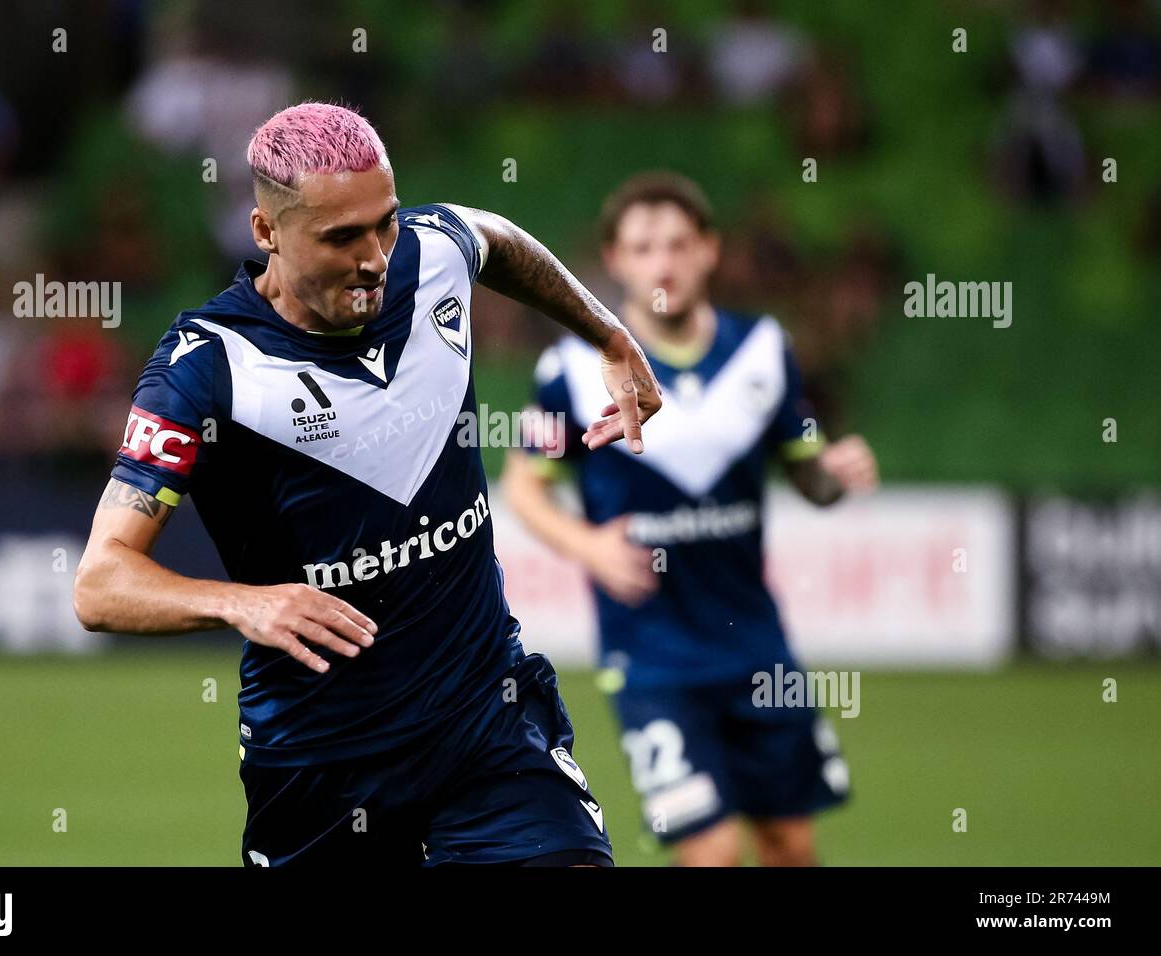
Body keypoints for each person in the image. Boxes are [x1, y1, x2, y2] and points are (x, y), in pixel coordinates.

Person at [72, 102, 662, 867]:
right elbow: (99, 583)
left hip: (488, 726)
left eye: (383, 222)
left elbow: (497, 240)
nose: (376, 255)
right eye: (341, 237)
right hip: (321, 765)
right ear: (266, 233)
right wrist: (245, 602)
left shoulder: (431, 249)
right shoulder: (204, 369)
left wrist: (608, 336)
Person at [503, 172, 878, 866]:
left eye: (677, 244)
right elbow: (522, 487)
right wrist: (587, 545)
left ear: (710, 250)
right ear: (613, 261)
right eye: (643, 248)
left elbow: (809, 477)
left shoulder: (765, 351)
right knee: (710, 852)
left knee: (791, 845)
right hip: (652, 658)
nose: (663, 263)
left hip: (758, 648)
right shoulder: (572, 370)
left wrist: (836, 474)